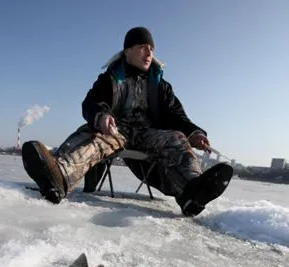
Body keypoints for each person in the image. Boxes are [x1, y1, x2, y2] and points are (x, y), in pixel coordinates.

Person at [22, 26, 233, 216]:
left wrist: (195, 133)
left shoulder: (161, 86)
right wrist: (102, 115)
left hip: (148, 133)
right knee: (94, 135)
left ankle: (192, 192)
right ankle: (58, 176)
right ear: (127, 51)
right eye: (142, 47)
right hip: (117, 129)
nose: (149, 52)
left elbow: (176, 116)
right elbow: (92, 102)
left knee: (177, 138)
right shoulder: (110, 78)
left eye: (151, 48)